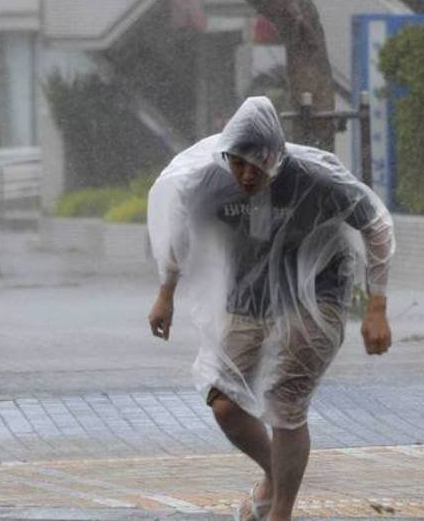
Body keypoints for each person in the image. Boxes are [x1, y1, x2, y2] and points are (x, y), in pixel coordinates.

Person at [146, 96, 395, 521]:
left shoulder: (317, 177)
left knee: (284, 400)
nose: (245, 174)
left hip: (317, 293)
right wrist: (166, 291)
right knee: (224, 401)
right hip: (250, 293)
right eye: (236, 162)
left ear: (276, 156)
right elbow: (178, 226)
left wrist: (377, 306)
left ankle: (279, 512)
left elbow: (376, 224)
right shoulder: (210, 178)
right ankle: (274, 474)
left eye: (256, 164)